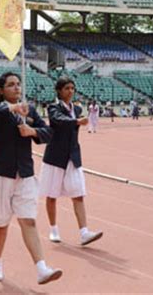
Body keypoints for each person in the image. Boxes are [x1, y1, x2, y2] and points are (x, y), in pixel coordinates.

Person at [0, 72, 62, 285]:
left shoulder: (28, 110)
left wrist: (31, 131)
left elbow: (48, 133)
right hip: (1, 172)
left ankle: (41, 268)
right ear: (1, 89)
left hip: (25, 173)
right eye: (11, 85)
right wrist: (13, 108)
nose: (16, 88)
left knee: (28, 220)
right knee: (1, 223)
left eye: (18, 84)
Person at [39, 77, 103, 247]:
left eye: (72, 88)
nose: (70, 91)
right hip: (55, 156)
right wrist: (75, 121)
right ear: (59, 91)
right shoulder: (53, 108)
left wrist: (77, 120)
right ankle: (53, 229)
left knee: (78, 194)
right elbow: (58, 121)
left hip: (73, 156)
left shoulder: (78, 108)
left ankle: (84, 232)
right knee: (52, 195)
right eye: (67, 88)